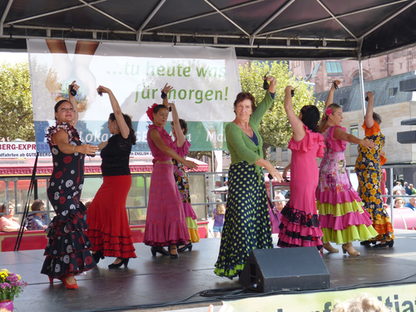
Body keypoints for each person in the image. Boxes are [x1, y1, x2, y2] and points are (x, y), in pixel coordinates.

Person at [214, 76, 283, 278]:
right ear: (235, 108)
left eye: (248, 107)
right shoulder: (231, 128)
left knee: (258, 221)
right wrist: (268, 165)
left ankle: (259, 265)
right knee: (242, 221)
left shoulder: (253, 121)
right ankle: (241, 266)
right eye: (241, 106)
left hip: (255, 179)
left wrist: (272, 86)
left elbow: (266, 102)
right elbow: (244, 153)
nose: (244, 110)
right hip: (241, 178)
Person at [41, 82, 98, 289]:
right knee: (70, 226)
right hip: (61, 189)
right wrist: (81, 148)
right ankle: (67, 273)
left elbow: (75, 115)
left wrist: (71, 95)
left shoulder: (71, 128)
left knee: (69, 226)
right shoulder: (58, 132)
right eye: (63, 109)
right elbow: (64, 148)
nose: (69, 112)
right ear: (56, 115)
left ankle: (59, 269)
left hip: (72, 188)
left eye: (71, 109)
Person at [316, 81, 377, 257]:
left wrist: (332, 90)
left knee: (330, 208)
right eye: (340, 114)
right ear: (332, 116)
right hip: (336, 175)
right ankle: (347, 244)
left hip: (328, 172)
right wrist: (362, 141)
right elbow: (347, 136)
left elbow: (328, 108)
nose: (342, 117)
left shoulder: (325, 127)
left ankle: (326, 240)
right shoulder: (335, 129)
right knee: (344, 206)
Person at [86, 85, 137, 269]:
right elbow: (95, 148)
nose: (108, 125)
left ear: (117, 122)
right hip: (109, 181)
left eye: (110, 122)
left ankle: (122, 254)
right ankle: (98, 248)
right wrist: (78, 149)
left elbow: (117, 111)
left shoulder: (125, 135)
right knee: (95, 210)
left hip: (120, 180)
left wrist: (109, 92)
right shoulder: (112, 139)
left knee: (115, 214)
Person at [143, 100, 197, 258]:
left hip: (168, 172)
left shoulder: (163, 131)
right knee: (169, 207)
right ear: (153, 115)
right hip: (162, 171)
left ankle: (168, 243)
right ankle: (169, 244)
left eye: (166, 116)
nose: (164, 118)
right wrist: (184, 161)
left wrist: (171, 107)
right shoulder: (153, 131)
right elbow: (164, 148)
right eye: (161, 115)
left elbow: (175, 129)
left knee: (171, 208)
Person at [277, 86, 325, 249]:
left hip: (302, 177)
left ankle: (302, 245)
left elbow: (287, 108)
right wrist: (287, 167)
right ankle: (306, 243)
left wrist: (287, 92)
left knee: (301, 207)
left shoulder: (301, 130)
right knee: (306, 206)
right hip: (310, 174)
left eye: (301, 113)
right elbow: (304, 155)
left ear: (304, 116)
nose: (297, 115)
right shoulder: (316, 135)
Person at [162, 85, 200, 252]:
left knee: (180, 206)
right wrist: (164, 99)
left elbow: (174, 121)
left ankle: (184, 238)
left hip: (179, 178)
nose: (173, 128)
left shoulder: (180, 142)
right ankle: (175, 238)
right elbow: (161, 120)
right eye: (172, 128)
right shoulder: (170, 141)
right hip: (169, 177)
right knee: (171, 207)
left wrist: (173, 107)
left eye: (176, 127)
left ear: (183, 130)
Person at [355, 91, 394, 248]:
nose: (365, 124)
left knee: (372, 202)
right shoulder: (374, 137)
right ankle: (373, 235)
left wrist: (370, 99)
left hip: (369, 173)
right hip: (367, 174)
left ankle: (384, 235)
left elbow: (368, 117)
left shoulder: (373, 131)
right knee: (368, 202)